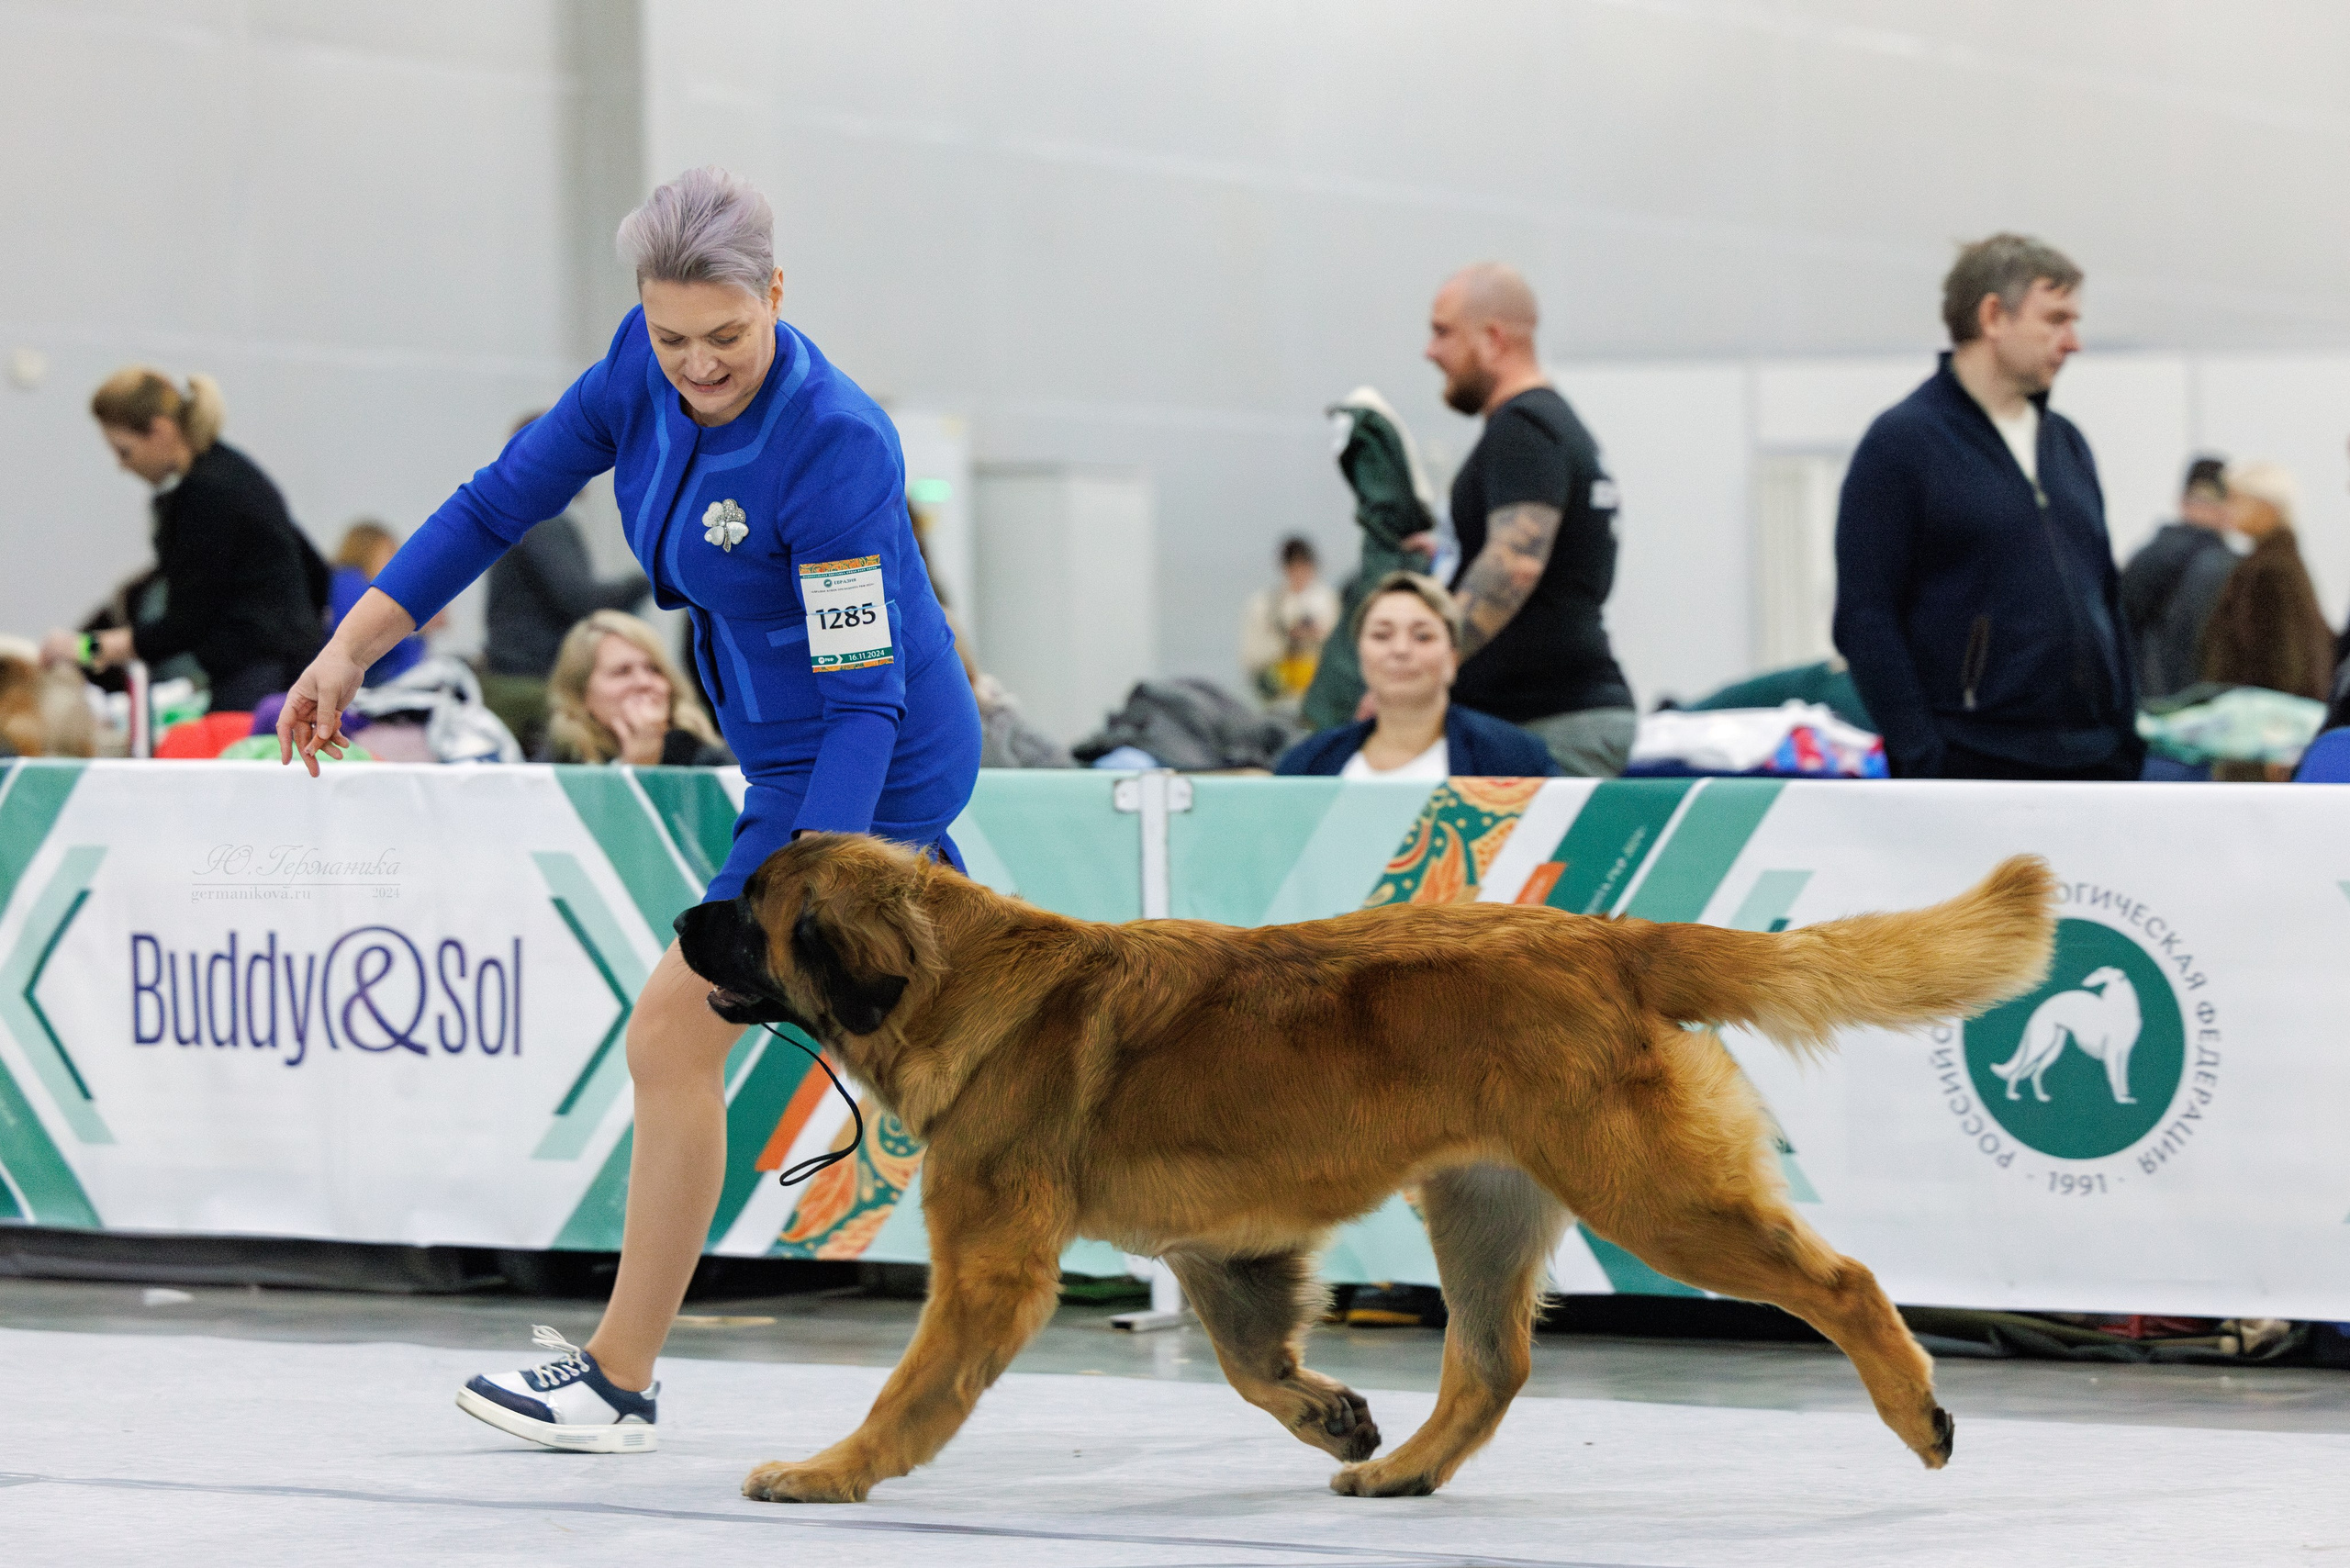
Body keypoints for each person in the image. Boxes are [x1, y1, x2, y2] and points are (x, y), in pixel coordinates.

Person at [274, 165, 983, 1451]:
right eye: (671, 339)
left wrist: (807, 891)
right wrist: (351, 651)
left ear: (776, 293)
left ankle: (615, 1379)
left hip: (869, 758)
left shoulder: (835, 441)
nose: (697, 367)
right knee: (974, 1068)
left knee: (673, 1037)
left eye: (727, 335)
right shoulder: (633, 368)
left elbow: (865, 695)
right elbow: (497, 502)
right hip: (779, 753)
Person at [1833, 234, 2142, 781]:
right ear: (1994, 316)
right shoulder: (1903, 444)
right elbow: (1864, 618)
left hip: (2097, 763)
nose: (2074, 342)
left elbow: (2106, 596)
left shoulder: (2067, 444)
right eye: (2056, 319)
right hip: (1975, 763)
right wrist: (1922, 756)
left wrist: (2124, 731)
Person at [1423, 263, 1636, 777]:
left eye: (1443, 332)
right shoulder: (1549, 426)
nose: (1431, 352)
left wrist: (1422, 667)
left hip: (1546, 722)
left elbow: (1513, 564)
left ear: (1494, 338)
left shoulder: (1523, 428)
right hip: (1556, 715)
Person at [43, 368, 326, 711]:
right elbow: (315, 569)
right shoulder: (234, 472)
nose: (122, 466)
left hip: (257, 678)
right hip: (287, 667)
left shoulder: (203, 494)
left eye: (125, 451)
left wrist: (88, 648)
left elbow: (185, 622)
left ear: (160, 431)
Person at [1274, 572, 1560, 778]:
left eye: (1422, 636)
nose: (1400, 650)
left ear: (1452, 658)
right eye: (1381, 635)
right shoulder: (1308, 766)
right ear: (1360, 654)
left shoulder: (1515, 760)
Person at [482, 410, 653, 752]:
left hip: (513, 678)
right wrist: (658, 572)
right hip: (531, 682)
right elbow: (582, 601)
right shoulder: (543, 522)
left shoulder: (524, 518)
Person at [2198, 461, 2333, 703]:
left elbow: (2283, 661)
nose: (2228, 508)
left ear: (2267, 508)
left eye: (2237, 500)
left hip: (2264, 725)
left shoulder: (2271, 571)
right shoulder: (2274, 564)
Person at [543, 610, 733, 767]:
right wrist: (637, 765)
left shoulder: (707, 758)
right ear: (581, 694)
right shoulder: (557, 763)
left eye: (654, 669)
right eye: (622, 672)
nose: (644, 682)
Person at [2121, 457, 2237, 700]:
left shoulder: (2145, 556)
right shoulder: (2222, 566)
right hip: (2199, 706)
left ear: (2182, 501)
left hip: (2144, 703)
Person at [1239, 536, 1341, 709]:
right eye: (1294, 566)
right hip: (1279, 695)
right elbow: (1251, 658)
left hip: (1320, 694)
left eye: (1304, 566)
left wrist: (1318, 635)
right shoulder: (1264, 605)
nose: (1299, 573)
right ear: (1285, 568)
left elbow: (1342, 649)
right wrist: (1287, 637)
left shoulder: (1329, 602)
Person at [327, 521, 432, 686]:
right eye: (391, 553)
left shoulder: (355, 584)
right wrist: (416, 628)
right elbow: (363, 633)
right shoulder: (348, 579)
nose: (397, 563)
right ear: (367, 551)